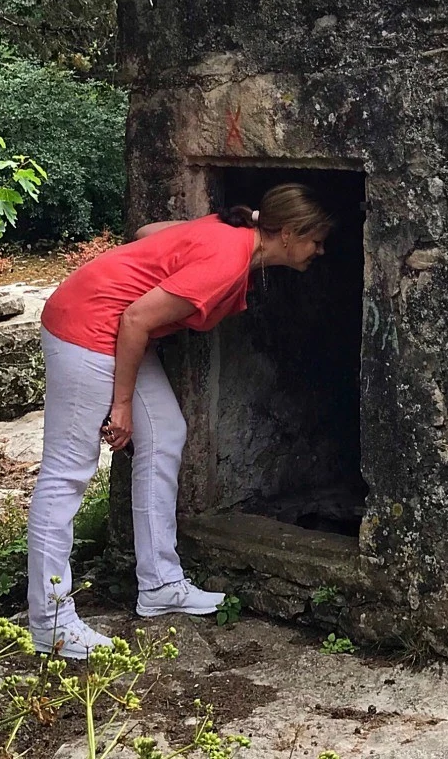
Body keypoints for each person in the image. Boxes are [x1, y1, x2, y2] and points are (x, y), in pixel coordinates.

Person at [27, 183, 332, 659]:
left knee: (166, 432)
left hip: (117, 325)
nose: (321, 249)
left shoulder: (233, 233)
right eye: (315, 239)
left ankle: (160, 583)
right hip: (87, 327)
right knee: (67, 473)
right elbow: (135, 320)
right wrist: (121, 405)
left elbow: (150, 232)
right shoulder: (227, 258)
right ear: (289, 234)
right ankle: (51, 622)